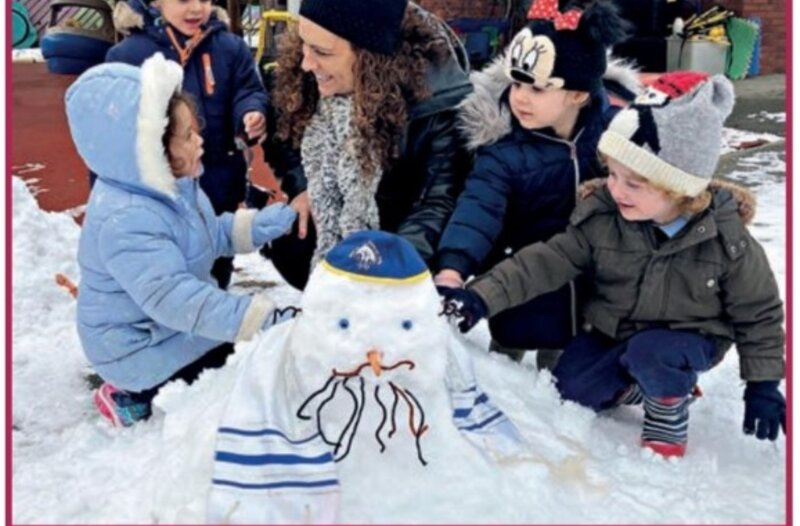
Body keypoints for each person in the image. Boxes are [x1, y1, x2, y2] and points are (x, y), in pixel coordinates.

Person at [439, 73, 786, 458]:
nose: (615, 189)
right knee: (571, 387)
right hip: (614, 330)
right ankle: (651, 384)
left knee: (655, 353)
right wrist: (479, 297)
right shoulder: (603, 217)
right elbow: (543, 261)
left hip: (687, 337)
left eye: (633, 183)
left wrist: (763, 383)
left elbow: (759, 312)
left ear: (680, 187)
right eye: (612, 174)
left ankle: (666, 411)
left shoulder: (726, 239)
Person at [66, 54, 297, 427]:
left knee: (238, 342)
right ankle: (129, 393)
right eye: (188, 136)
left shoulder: (172, 187)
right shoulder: (127, 219)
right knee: (241, 358)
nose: (200, 141)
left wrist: (271, 222)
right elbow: (177, 300)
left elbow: (207, 235)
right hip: (134, 348)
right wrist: (262, 318)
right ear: (151, 151)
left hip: (159, 328)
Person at [434, 0, 634, 366]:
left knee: (565, 377)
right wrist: (453, 267)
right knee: (511, 374)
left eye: (538, 89)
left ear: (578, 94)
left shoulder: (615, 135)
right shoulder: (503, 148)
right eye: (516, 83)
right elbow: (478, 210)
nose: (520, 98)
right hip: (519, 287)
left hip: (592, 291)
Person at [261, 0, 473, 289]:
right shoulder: (311, 75)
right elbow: (282, 131)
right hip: (327, 245)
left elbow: (436, 203)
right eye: (303, 44)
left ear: (370, 57)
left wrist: (385, 268)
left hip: (401, 243)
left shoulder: (437, 106)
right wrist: (302, 186)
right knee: (295, 237)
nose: (306, 63)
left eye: (321, 52)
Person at [107, 0, 269, 288]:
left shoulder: (230, 48)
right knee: (168, 272)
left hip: (219, 184)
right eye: (184, 0)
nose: (196, 8)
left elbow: (248, 89)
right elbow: (113, 131)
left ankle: (213, 324)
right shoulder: (128, 55)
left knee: (217, 264)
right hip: (160, 193)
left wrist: (251, 112)